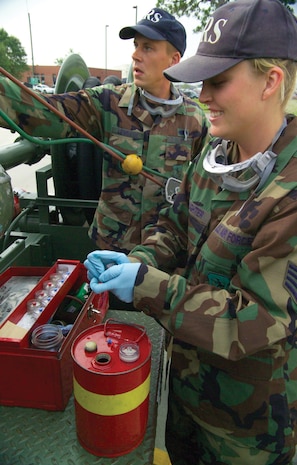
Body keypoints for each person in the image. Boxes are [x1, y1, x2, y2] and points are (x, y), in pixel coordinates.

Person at [84, 0, 297, 463]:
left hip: (245, 428)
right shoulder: (215, 152)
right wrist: (137, 260)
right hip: (184, 394)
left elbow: (255, 319)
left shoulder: (290, 194)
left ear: (271, 82)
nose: (202, 96)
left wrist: (145, 286)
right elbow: (176, 229)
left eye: (219, 81)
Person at [0, 7, 209, 254]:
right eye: (136, 45)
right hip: (112, 250)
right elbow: (46, 112)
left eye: (148, 47)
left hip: (165, 255)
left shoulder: (194, 120)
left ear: (174, 59)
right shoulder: (107, 103)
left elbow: (205, 189)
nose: (136, 55)